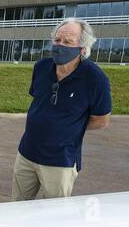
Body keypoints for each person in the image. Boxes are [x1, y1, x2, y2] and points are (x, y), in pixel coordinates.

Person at [12, 18, 112, 200]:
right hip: (27, 154)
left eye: (67, 42)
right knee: (17, 207)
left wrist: (69, 126)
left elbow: (101, 121)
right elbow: (40, 103)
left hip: (59, 162)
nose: (60, 46)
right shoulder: (41, 67)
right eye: (57, 40)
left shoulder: (96, 79)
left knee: (52, 216)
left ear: (82, 48)